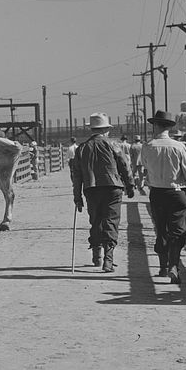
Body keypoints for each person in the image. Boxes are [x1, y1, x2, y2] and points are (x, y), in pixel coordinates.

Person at [140, 110, 186, 285]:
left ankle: (163, 266)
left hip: (157, 193)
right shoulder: (179, 147)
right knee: (177, 231)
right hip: (177, 192)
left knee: (161, 228)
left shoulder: (148, 146)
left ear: (156, 125)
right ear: (169, 127)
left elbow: (144, 165)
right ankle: (174, 265)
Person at [71, 113, 135, 272]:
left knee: (96, 220)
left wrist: (77, 197)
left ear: (91, 129)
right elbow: (124, 166)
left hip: (91, 188)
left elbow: (76, 175)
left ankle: (96, 255)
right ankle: (108, 259)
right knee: (111, 221)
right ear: (106, 130)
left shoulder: (82, 148)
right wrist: (130, 185)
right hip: (113, 187)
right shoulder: (113, 145)